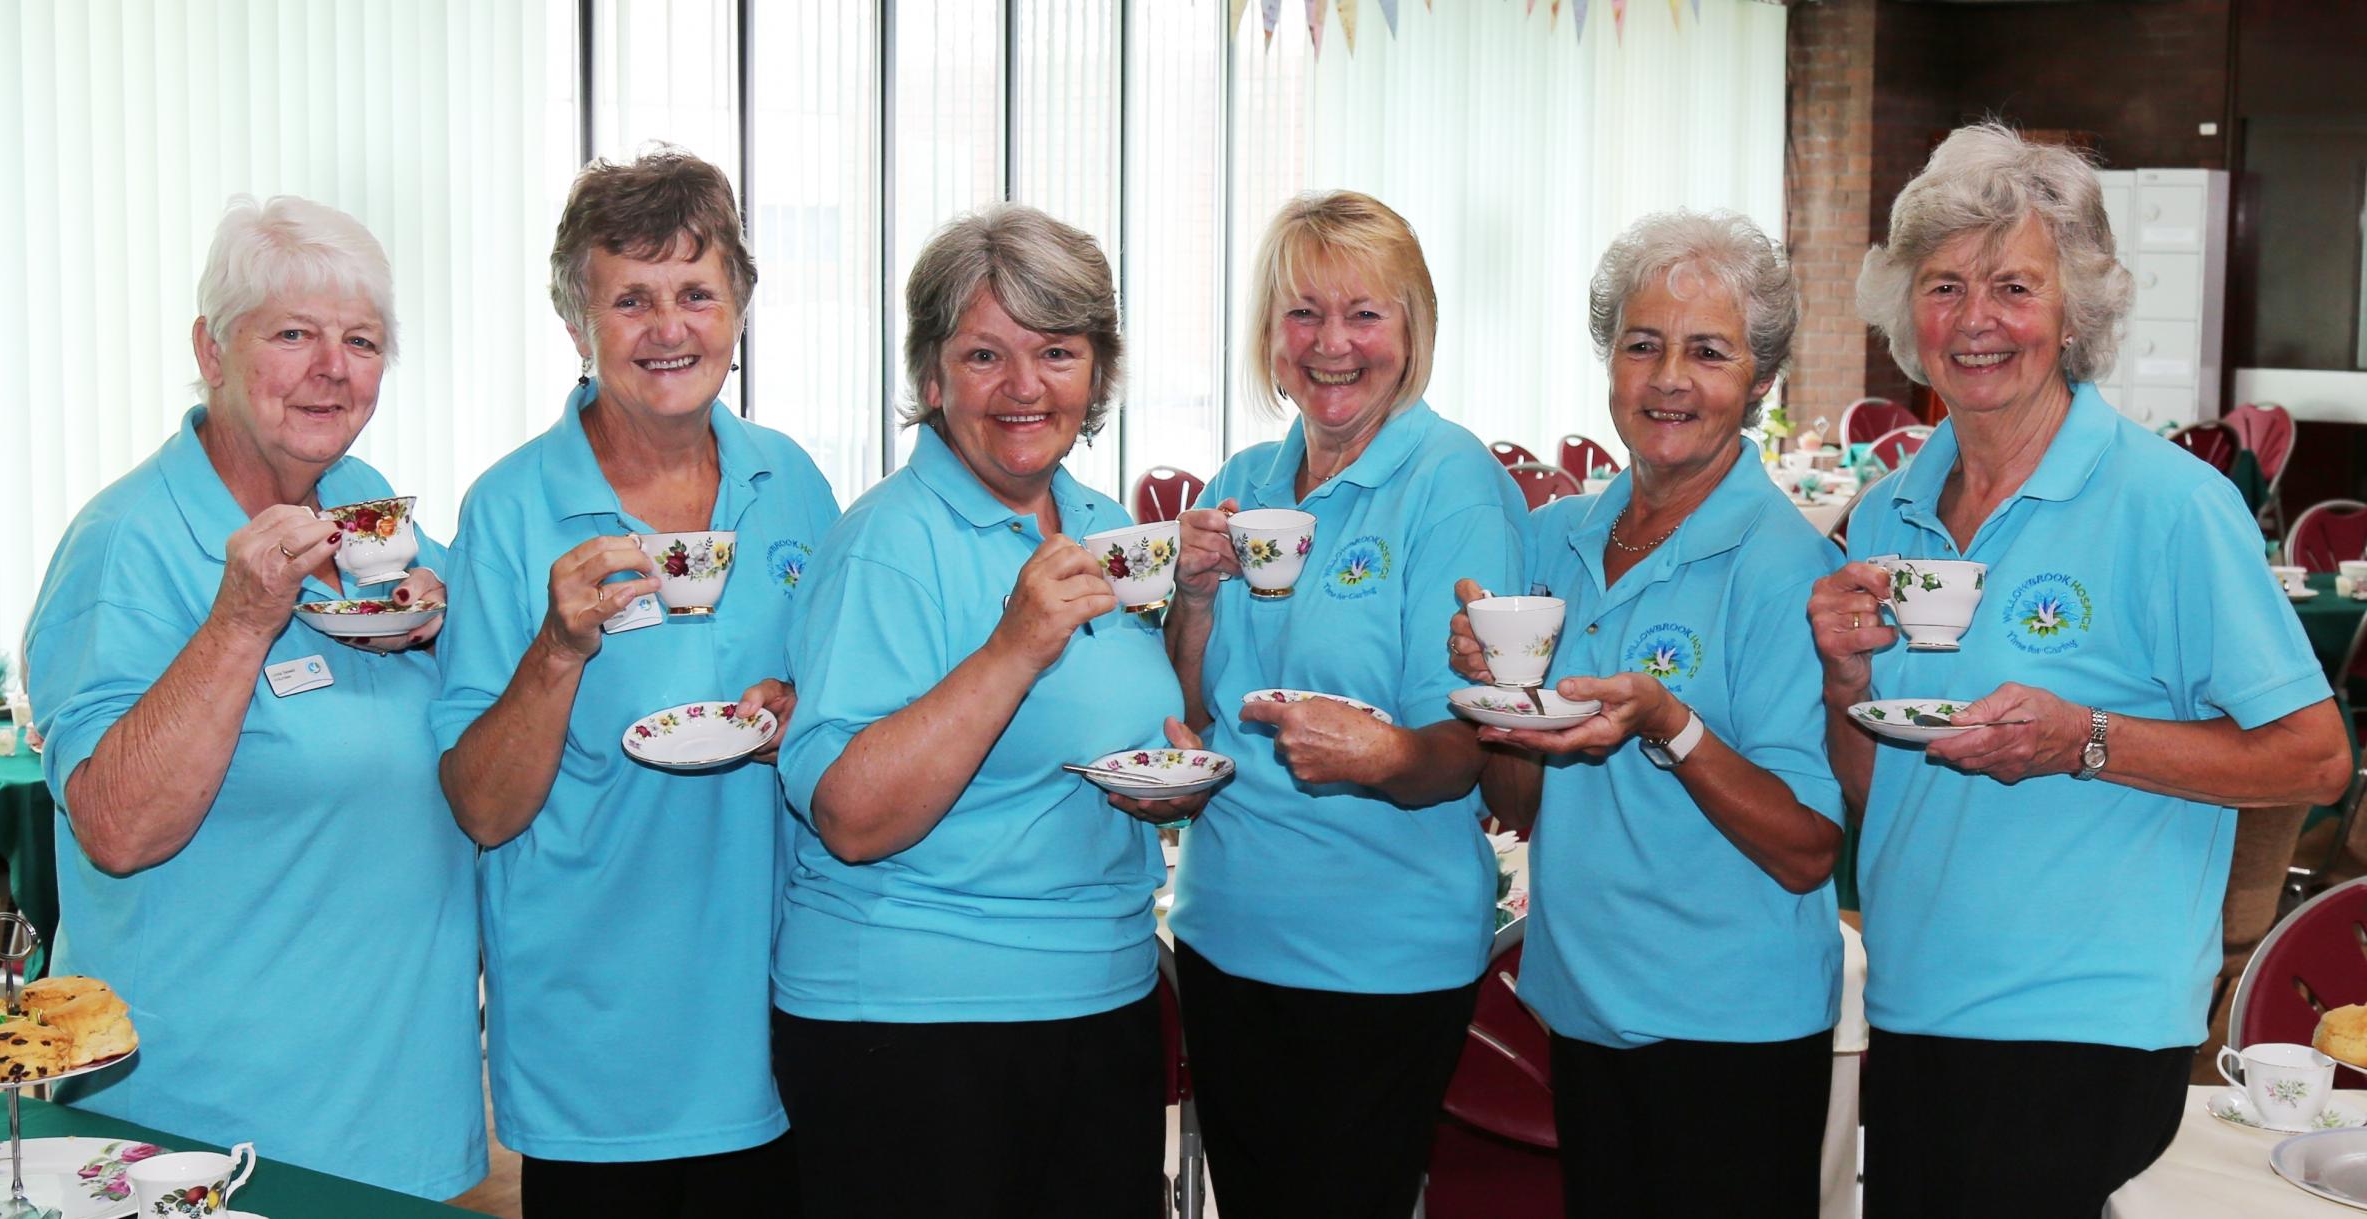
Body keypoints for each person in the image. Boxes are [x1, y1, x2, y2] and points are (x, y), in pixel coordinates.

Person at [1811, 123, 2352, 1215]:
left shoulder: (2171, 506)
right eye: (1945, 284)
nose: (1976, 320)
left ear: (2076, 311)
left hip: (2087, 1019)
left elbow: (2318, 758)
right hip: (1917, 1003)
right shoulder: (1888, 506)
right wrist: (1841, 681)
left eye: (2014, 284)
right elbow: (1879, 791)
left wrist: (2087, 740)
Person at [23, 195, 481, 1198]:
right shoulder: (127, 542)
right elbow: (116, 827)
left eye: (362, 340)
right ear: (213, 348)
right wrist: (240, 619)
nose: (334, 367)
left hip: (399, 1115)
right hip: (200, 1135)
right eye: (293, 334)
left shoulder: (370, 507)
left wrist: (457, 619)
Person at [772, 202, 1199, 1219]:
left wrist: (1166, 771)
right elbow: (851, 816)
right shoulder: (886, 542)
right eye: (984, 355)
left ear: (1097, 372)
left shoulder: (1105, 530)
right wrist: (1013, 647)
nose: (1023, 387)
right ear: (931, 378)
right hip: (916, 1023)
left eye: (1057, 351)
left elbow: (1119, 728)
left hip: (1103, 997)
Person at [431, 150, 837, 1216]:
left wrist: (798, 713)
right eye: (632, 299)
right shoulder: (511, 510)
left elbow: (845, 720)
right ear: (577, 325)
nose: (671, 327)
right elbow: (480, 806)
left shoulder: (792, 483)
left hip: (787, 1016)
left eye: (697, 293)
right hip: (601, 1051)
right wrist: (557, 651)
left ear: (739, 309)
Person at [1450, 211, 1841, 1218]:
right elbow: (1520, 800)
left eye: (1707, 352)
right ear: (1609, 362)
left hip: (1733, 1030)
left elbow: (1808, 849)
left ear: (1759, 382)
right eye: (1642, 344)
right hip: (1583, 1003)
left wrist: (1671, 725)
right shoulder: (1556, 542)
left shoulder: (1788, 566)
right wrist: (1500, 705)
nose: (1670, 377)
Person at [1163, 190, 1527, 1218]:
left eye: (1364, 314)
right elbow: (1192, 709)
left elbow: (1467, 746)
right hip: (1226, 932)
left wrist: (1379, 756)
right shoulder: (1244, 480)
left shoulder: (1453, 484)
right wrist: (1191, 600)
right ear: (1270, 336)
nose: (1332, 345)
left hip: (1379, 955)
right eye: (1303, 313)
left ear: (1412, 330)